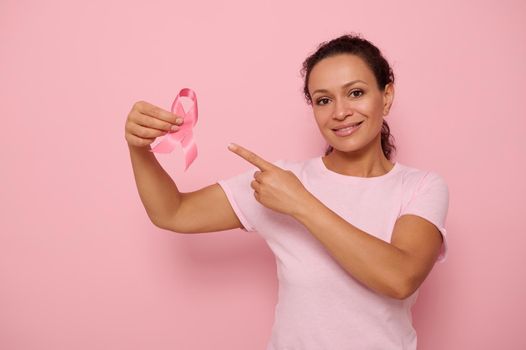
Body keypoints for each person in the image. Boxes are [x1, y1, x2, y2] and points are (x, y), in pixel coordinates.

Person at [125, 33, 449, 350]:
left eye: (355, 93)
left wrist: (301, 203)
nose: (339, 112)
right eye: (324, 100)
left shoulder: (421, 186)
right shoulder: (278, 180)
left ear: (387, 96)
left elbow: (399, 278)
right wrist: (139, 148)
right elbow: (172, 212)